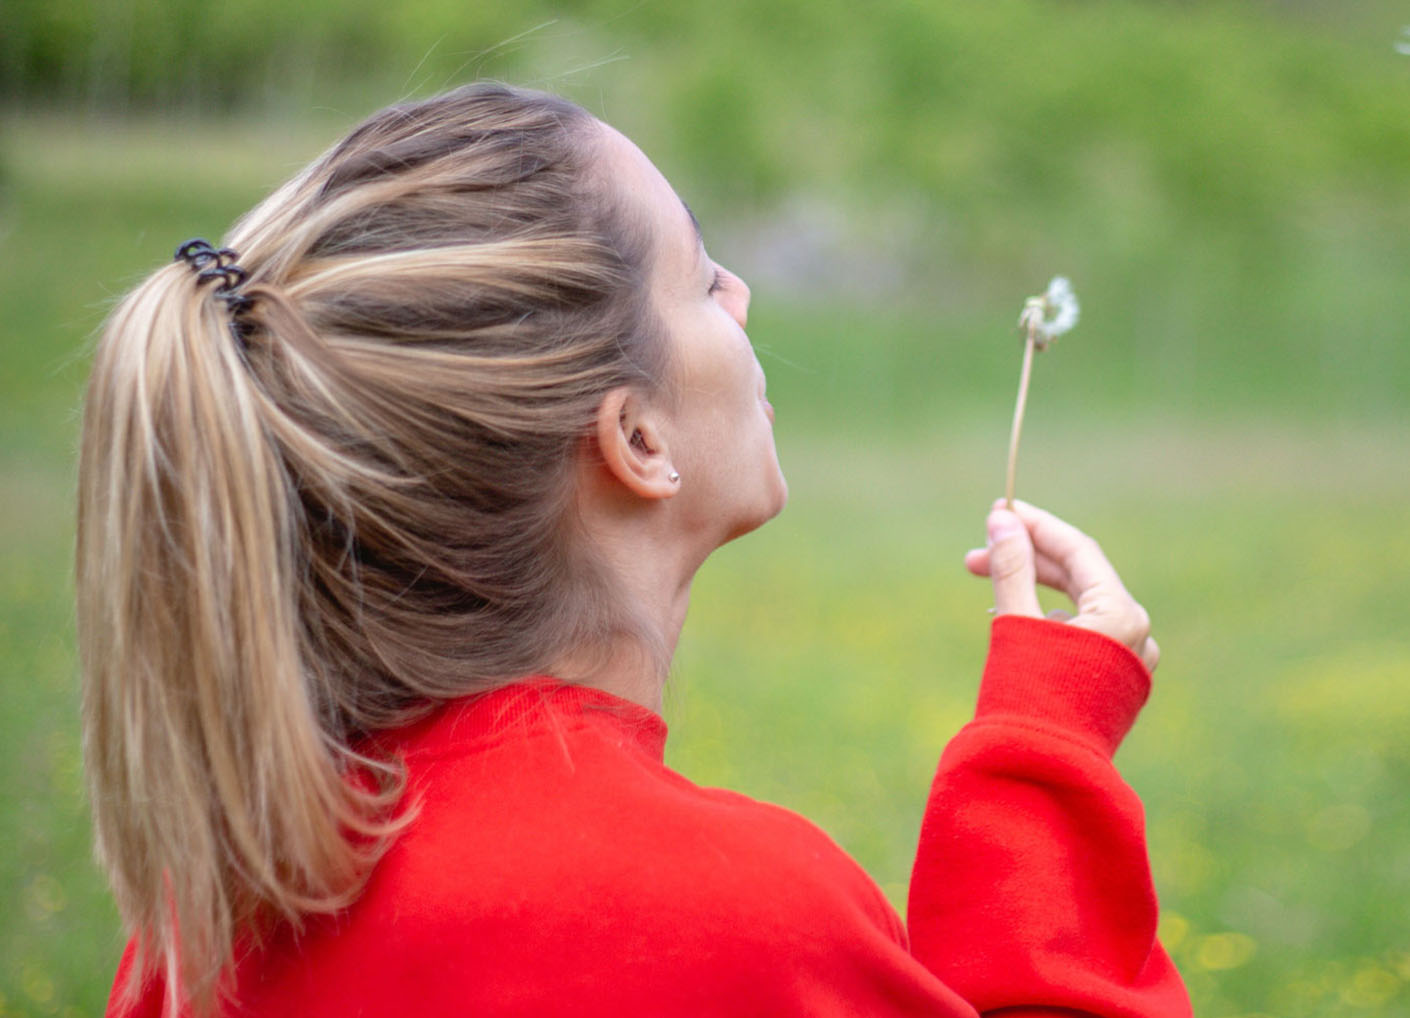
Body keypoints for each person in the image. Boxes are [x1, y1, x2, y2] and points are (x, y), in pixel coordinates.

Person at [78, 82, 1188, 1017]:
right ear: (638, 439)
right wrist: (1047, 769)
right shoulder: (730, 917)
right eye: (704, 278)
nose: (743, 296)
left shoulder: (210, 921)